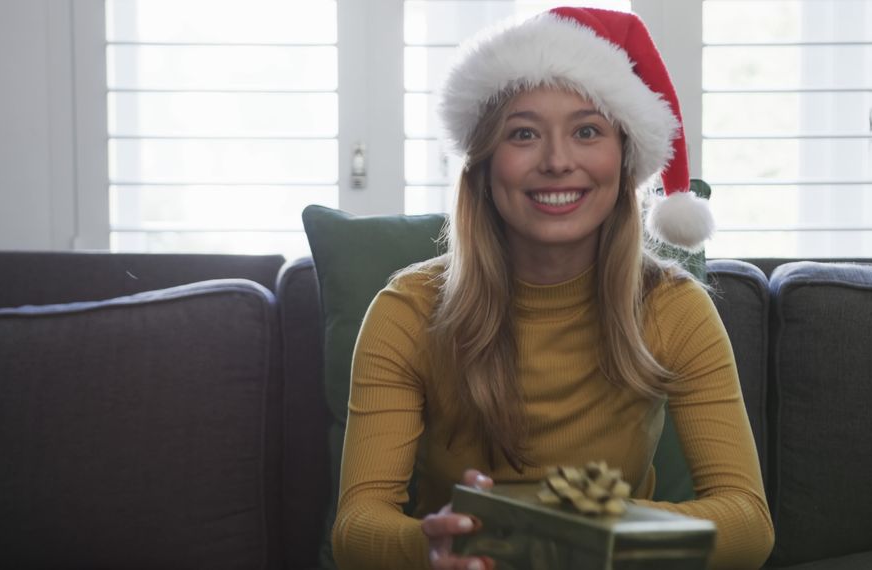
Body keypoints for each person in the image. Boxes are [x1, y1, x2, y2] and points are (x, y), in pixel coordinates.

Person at [331, 7, 774, 570]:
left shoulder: (674, 307)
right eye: (524, 134)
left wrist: (597, 533)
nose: (559, 161)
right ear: (485, 168)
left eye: (587, 131)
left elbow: (749, 522)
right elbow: (356, 526)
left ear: (624, 158)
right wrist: (434, 545)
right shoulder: (406, 312)